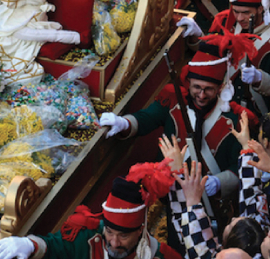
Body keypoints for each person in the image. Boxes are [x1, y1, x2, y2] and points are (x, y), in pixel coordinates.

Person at [100, 35, 258, 201]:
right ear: (188, 82)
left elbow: (240, 164)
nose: (202, 95)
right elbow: (146, 118)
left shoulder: (234, 118)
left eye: (209, 89)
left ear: (220, 88)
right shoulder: (172, 101)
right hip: (172, 192)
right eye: (197, 87)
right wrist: (124, 123)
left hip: (210, 200)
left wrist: (220, 181)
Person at [0, 163, 182, 259]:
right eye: (109, 232)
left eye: (123, 236)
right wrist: (29, 244)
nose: (114, 243)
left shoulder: (161, 255)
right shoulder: (87, 236)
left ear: (140, 230)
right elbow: (53, 246)